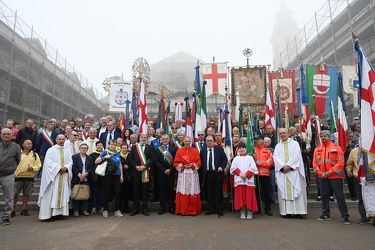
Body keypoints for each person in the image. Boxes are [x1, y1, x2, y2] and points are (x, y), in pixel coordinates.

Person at [313, 130, 350, 224]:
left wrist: (329, 172)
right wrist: (320, 173)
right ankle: (325, 214)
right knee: (324, 196)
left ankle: (345, 216)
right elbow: (314, 163)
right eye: (322, 136)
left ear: (329, 137)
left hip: (335, 177)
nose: (323, 137)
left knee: (340, 196)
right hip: (322, 177)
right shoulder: (317, 149)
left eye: (325, 136)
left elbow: (341, 162)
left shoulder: (336, 148)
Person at [273, 128, 307, 218]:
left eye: (284, 133)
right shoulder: (277, 146)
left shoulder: (295, 144)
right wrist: (282, 167)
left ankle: (298, 212)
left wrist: (289, 166)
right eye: (280, 133)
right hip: (283, 173)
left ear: (288, 133)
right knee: (284, 190)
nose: (282, 135)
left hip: (293, 171)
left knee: (295, 190)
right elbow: (275, 157)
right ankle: (287, 212)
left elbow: (297, 156)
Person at [38, 134, 72, 221]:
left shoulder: (67, 151)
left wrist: (67, 167)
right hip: (53, 177)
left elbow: (70, 162)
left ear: (65, 140)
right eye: (59, 139)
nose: (61, 141)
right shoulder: (50, 150)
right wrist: (59, 168)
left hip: (63, 176)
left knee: (62, 193)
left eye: (63, 139)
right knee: (50, 194)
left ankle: (59, 213)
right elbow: (48, 163)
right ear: (56, 140)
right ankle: (47, 215)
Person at [199, 135, 227, 217]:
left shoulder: (219, 149)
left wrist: (222, 167)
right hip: (207, 174)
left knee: (218, 192)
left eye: (211, 140)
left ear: (213, 141)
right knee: (209, 192)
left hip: (217, 173)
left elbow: (224, 159)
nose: (209, 142)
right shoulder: (203, 151)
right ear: (205, 142)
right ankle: (211, 209)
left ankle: (219, 209)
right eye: (208, 141)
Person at [174, 136, 202, 216]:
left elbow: (198, 162)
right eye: (186, 141)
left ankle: (193, 211)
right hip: (183, 174)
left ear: (190, 142)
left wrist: (192, 165)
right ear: (183, 141)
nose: (187, 143)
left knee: (193, 190)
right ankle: (183, 210)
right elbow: (176, 163)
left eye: (188, 141)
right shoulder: (179, 151)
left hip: (193, 174)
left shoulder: (195, 151)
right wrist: (183, 166)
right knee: (184, 190)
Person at [12, 139, 41, 217]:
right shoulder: (18, 153)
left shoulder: (35, 154)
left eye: (31, 144)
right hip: (17, 177)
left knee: (27, 194)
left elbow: (38, 165)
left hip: (29, 177)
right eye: (28, 143)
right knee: (14, 194)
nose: (30, 145)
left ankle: (23, 209)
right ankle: (12, 209)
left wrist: (33, 168)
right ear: (23, 145)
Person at [95, 139, 123, 218]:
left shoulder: (117, 153)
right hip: (107, 176)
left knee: (117, 192)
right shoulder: (105, 152)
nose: (113, 146)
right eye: (111, 144)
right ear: (108, 145)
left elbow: (120, 164)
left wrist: (121, 175)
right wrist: (104, 157)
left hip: (116, 175)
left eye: (114, 144)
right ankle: (105, 210)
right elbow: (96, 161)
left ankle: (117, 210)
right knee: (106, 193)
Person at [230, 142, 258, 219]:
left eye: (243, 148)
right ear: (238, 149)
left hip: (248, 180)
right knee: (240, 196)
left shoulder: (250, 158)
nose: (241, 149)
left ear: (245, 149)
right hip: (239, 179)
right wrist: (240, 174)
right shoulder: (236, 158)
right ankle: (242, 210)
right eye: (240, 148)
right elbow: (233, 168)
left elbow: (253, 168)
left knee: (249, 196)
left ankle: (249, 211)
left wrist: (246, 174)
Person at [128, 133, 153, 216]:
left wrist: (145, 166)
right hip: (136, 172)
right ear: (139, 138)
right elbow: (130, 158)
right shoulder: (135, 147)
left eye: (145, 137)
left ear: (147, 138)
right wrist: (136, 166)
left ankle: (145, 208)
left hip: (145, 172)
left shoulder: (150, 147)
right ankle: (136, 208)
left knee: (145, 192)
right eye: (142, 137)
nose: (143, 138)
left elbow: (152, 159)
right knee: (136, 192)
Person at [0, 128, 21, 225]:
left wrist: (11, 169)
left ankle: (6, 216)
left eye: (9, 134)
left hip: (8, 175)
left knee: (9, 197)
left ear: (12, 135)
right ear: (1, 135)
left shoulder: (16, 147)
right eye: (4, 134)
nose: (6, 135)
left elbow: (18, 160)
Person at [346, 146, 371, 224]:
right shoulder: (354, 151)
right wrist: (348, 170)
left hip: (371, 179)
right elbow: (349, 164)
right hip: (358, 178)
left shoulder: (372, 149)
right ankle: (364, 217)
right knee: (361, 198)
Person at [154, 134, 177, 215]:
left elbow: (175, 160)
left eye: (166, 139)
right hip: (161, 173)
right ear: (161, 140)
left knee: (170, 190)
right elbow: (156, 161)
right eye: (163, 139)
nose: (165, 140)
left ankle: (171, 207)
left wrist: (170, 169)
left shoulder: (174, 148)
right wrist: (164, 170)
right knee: (162, 190)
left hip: (171, 172)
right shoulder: (158, 150)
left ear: (169, 140)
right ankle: (162, 207)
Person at [253, 135, 273, 216]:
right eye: (256, 140)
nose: (256, 141)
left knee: (266, 192)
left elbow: (271, 162)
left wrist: (261, 163)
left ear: (262, 140)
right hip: (255, 175)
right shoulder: (253, 150)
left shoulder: (267, 150)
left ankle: (267, 208)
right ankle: (257, 208)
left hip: (265, 174)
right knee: (256, 192)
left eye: (258, 140)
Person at [71, 143, 93, 217]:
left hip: (86, 178)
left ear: (87, 149)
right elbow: (73, 167)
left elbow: (91, 167)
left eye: (85, 148)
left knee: (85, 194)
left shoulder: (90, 158)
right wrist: (79, 174)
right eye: (82, 148)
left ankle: (85, 210)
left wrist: (86, 174)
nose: (83, 149)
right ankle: (76, 211)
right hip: (77, 178)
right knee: (76, 194)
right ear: (79, 149)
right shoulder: (74, 157)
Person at [89, 140, 105, 214]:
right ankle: (94, 207)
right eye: (98, 145)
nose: (99, 146)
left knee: (102, 192)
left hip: (103, 176)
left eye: (101, 145)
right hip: (95, 176)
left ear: (103, 146)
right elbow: (90, 165)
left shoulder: (105, 154)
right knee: (94, 192)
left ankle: (101, 207)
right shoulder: (92, 155)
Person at [119, 143, 131, 213]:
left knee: (127, 193)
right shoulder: (118, 155)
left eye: (125, 148)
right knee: (120, 193)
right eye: (123, 148)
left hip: (128, 177)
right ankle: (119, 208)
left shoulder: (130, 155)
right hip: (120, 177)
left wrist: (128, 167)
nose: (124, 149)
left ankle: (126, 207)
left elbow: (132, 164)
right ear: (120, 148)